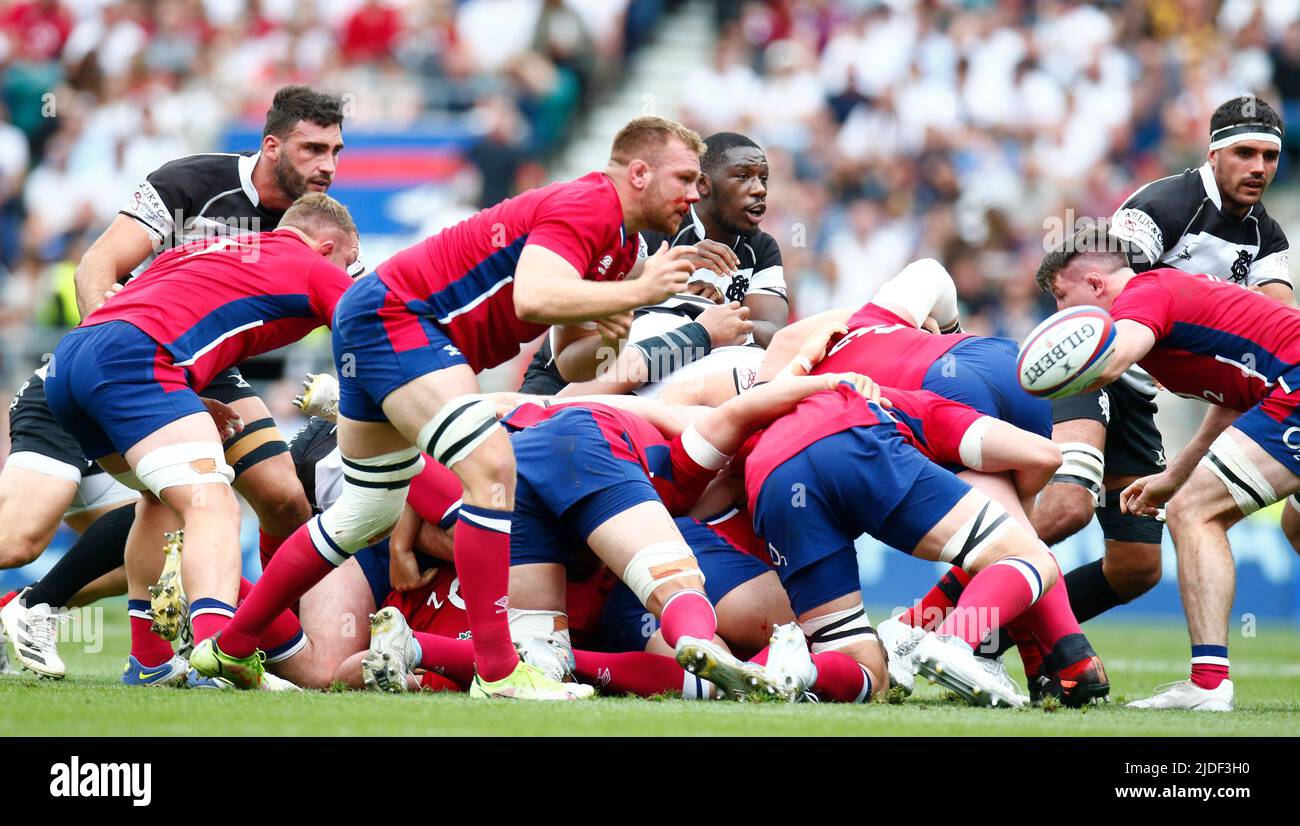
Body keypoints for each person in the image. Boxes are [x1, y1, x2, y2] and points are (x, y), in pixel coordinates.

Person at [194, 116, 708, 700]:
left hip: (381, 318)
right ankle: (499, 673)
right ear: (639, 173)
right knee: (491, 469)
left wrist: (618, 315)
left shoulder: (623, 245)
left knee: (361, 513)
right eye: (685, 177)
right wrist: (640, 292)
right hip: (403, 321)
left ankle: (229, 645)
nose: (694, 194)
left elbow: (568, 358)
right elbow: (534, 296)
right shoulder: (589, 205)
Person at [0, 86, 349, 676]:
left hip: (195, 370)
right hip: (120, 359)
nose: (328, 166)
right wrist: (140, 379)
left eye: (337, 151)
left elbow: (368, 307)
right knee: (22, 543)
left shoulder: (315, 230)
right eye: (313, 148)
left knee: (280, 497)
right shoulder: (190, 182)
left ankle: (241, 646)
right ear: (271, 146)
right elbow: (96, 267)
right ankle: (31, 605)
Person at [37, 194, 359, 687]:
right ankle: (216, 653)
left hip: (71, 362)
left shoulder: (211, 245)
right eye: (348, 262)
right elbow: (375, 329)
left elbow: (157, 309)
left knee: (158, 497)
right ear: (327, 246)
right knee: (213, 502)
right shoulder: (312, 266)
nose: (348, 272)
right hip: (136, 361)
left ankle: (147, 660)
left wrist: (179, 399)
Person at [1029, 94, 1292, 647]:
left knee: (1136, 566)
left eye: (1270, 156)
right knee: (1067, 507)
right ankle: (945, 628)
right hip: (1104, 367)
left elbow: (1270, 359)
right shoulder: (1160, 207)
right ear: (1213, 154)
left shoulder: (1269, 239)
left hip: (1151, 375)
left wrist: (1180, 469)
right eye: (1245, 153)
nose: (1259, 169)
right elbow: (1112, 297)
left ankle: (988, 634)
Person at [1038, 224, 1300, 711]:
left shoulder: (1144, 294)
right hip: (1282, 389)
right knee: (1296, 527)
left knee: (1194, 511)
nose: (1058, 315)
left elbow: (1110, 362)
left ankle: (1208, 684)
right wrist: (1176, 474)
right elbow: (1235, 398)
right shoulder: (1167, 305)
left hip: (1296, 385)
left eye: (1060, 296)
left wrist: (1041, 374)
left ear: (1096, 284)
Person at [521, 131, 783, 397]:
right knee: (519, 424)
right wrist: (665, 277)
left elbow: (774, 333)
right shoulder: (660, 221)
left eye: (763, 178)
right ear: (703, 184)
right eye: (743, 177)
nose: (759, 189)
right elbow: (586, 287)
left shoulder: (762, 249)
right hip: (573, 367)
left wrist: (719, 312)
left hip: (663, 370)